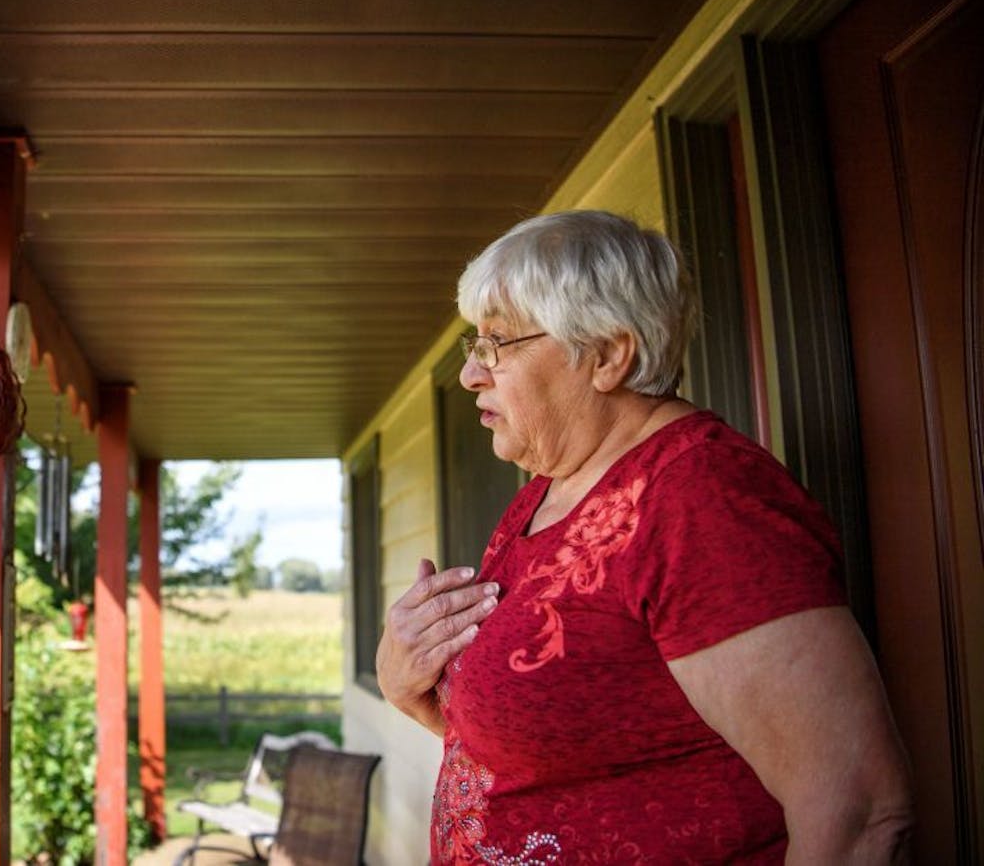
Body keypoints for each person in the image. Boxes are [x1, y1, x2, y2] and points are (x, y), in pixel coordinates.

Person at [375, 210, 913, 864]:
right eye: (473, 345)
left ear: (606, 354)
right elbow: (549, 749)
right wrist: (411, 685)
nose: (471, 374)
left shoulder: (701, 499)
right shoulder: (551, 490)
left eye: (497, 344)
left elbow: (856, 810)